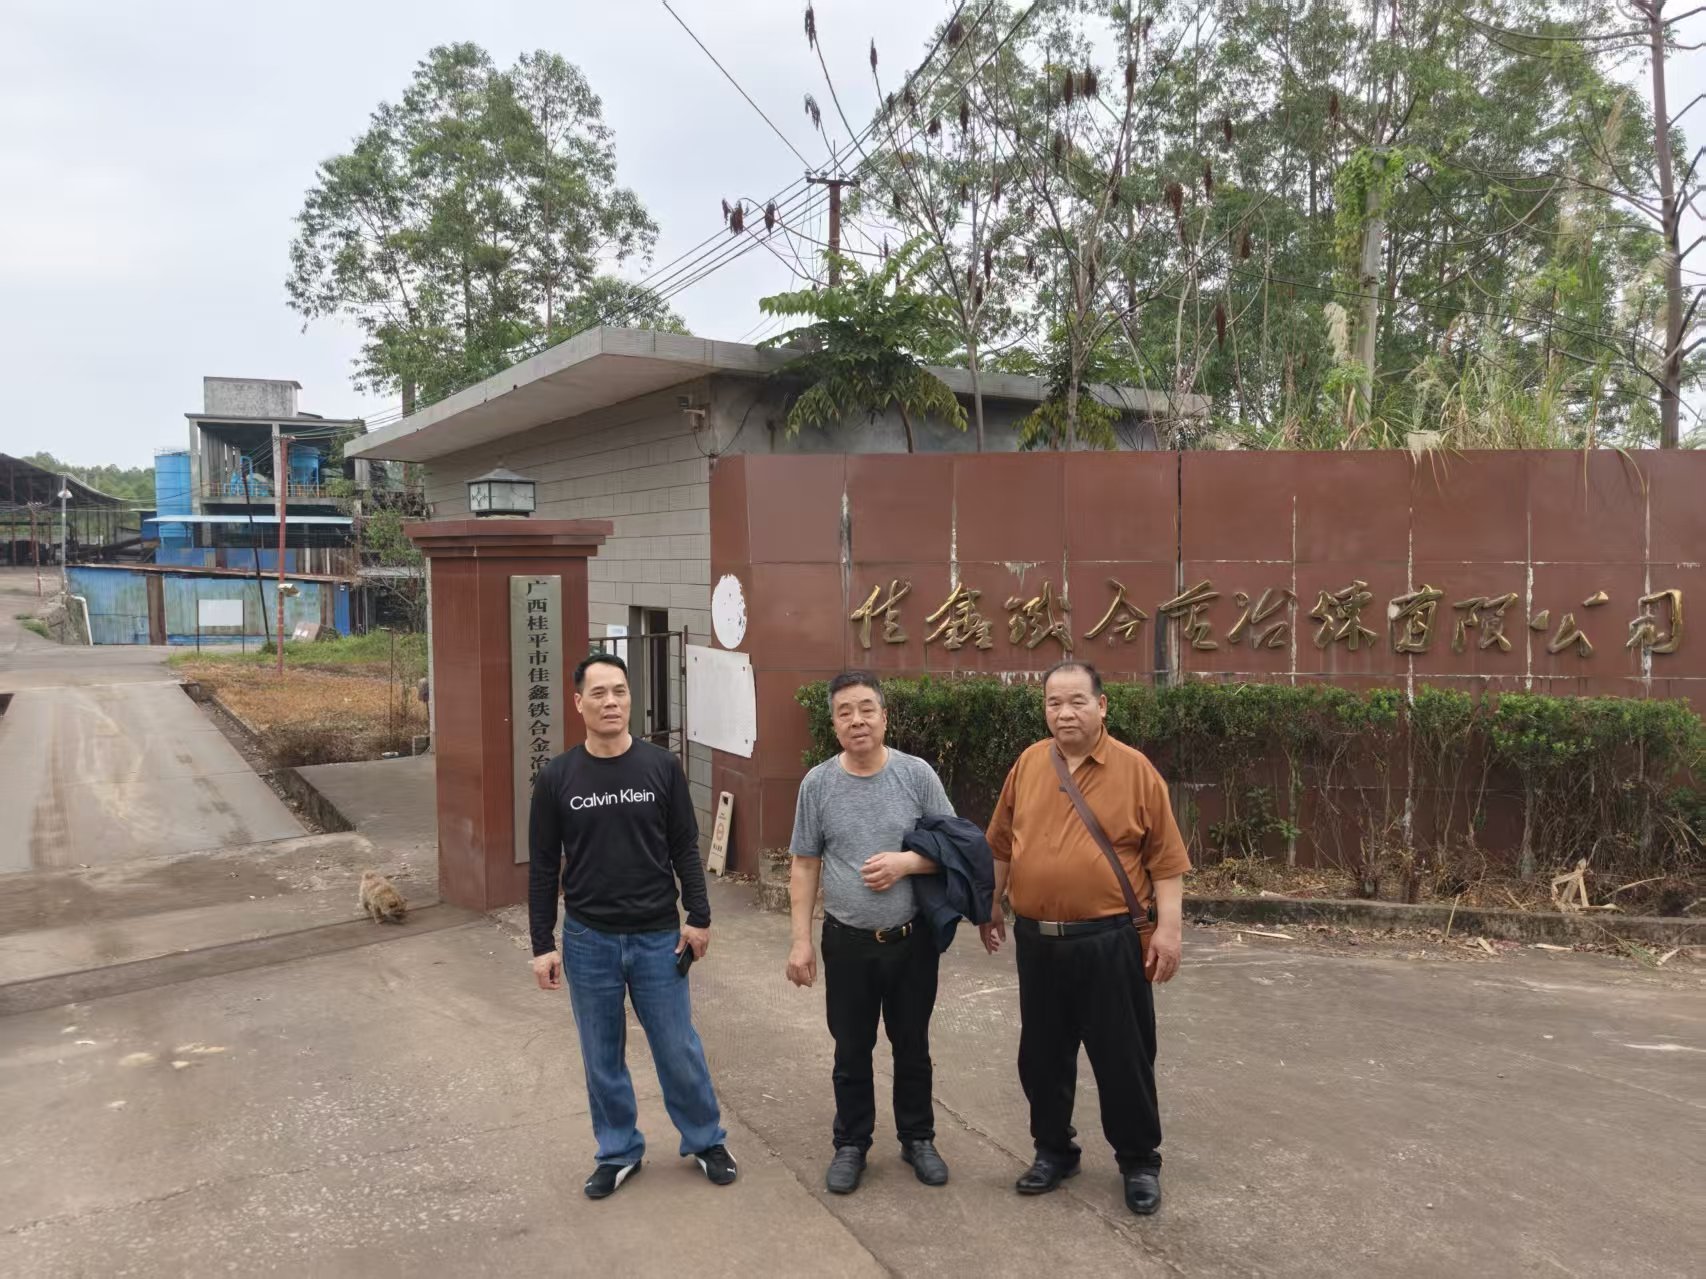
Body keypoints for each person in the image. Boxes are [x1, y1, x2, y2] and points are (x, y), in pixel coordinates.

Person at [981, 660, 1189, 1217]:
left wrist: (1168, 931)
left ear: (1102, 705)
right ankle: (1053, 1151)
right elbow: (1000, 844)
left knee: (1123, 1057)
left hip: (1110, 940)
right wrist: (990, 904)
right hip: (1038, 942)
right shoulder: (1029, 764)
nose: (1065, 712)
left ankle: (1139, 1161)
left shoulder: (1135, 770)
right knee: (1042, 1056)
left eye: (1077, 701)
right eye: (1054, 702)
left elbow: (1166, 862)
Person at [529, 652, 737, 1200]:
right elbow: (544, 866)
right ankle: (618, 1151)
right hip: (588, 938)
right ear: (578, 703)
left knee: (677, 1047)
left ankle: (705, 1139)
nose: (611, 702)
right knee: (601, 1055)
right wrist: (542, 943)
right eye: (598, 693)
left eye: (619, 691)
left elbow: (684, 847)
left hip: (657, 936)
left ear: (630, 698)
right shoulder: (557, 777)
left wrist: (699, 917)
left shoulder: (661, 767)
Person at [786, 671, 958, 1195]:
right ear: (834, 724)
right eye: (845, 712)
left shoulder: (916, 775)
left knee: (912, 1045)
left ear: (884, 716)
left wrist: (908, 862)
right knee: (851, 1049)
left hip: (911, 941)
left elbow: (956, 849)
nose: (857, 720)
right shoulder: (818, 784)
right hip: (847, 943)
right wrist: (800, 941)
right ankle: (852, 1143)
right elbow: (805, 864)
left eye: (866, 709)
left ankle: (918, 1138)